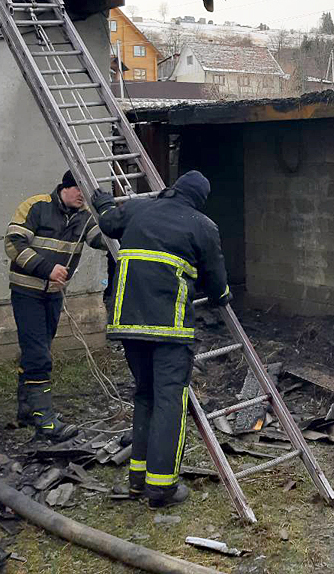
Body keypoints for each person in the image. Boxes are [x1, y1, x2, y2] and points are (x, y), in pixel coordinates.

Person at [90, 170, 231, 508]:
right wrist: (222, 295)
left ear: (174, 188)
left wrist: (103, 201)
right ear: (200, 199)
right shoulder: (203, 226)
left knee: (145, 396)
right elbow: (217, 287)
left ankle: (138, 481)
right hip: (169, 330)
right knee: (170, 402)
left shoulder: (140, 208)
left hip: (128, 324)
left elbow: (109, 223)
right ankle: (161, 488)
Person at [5, 170, 104, 442]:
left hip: (54, 295)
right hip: (27, 291)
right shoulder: (36, 206)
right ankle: (45, 421)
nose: (82, 197)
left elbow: (102, 239)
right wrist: (47, 269)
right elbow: (13, 243)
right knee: (38, 354)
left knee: (38, 349)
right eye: (78, 190)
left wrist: (116, 215)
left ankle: (27, 410)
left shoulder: (84, 216)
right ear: (65, 187)